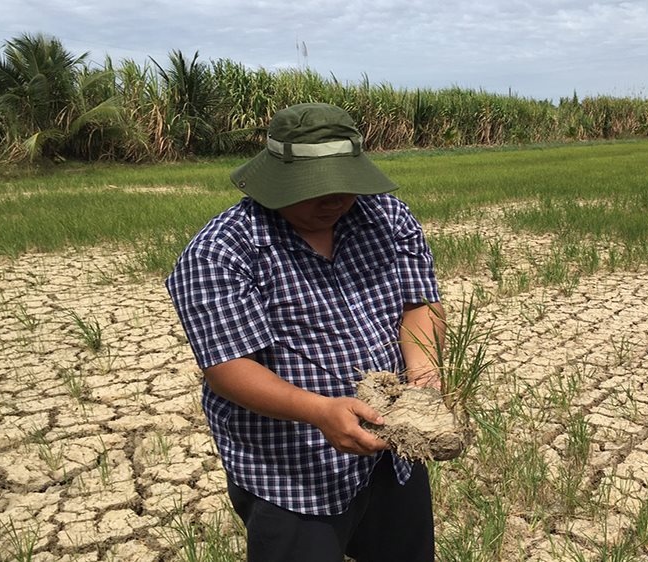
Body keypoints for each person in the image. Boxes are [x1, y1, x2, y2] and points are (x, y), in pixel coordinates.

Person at [165, 102, 444, 562]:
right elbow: (228, 367)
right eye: (316, 189)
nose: (334, 200)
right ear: (276, 181)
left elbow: (420, 303)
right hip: (293, 475)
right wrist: (318, 411)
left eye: (346, 186)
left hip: (392, 455)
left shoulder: (386, 219)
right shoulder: (221, 252)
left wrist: (423, 375)